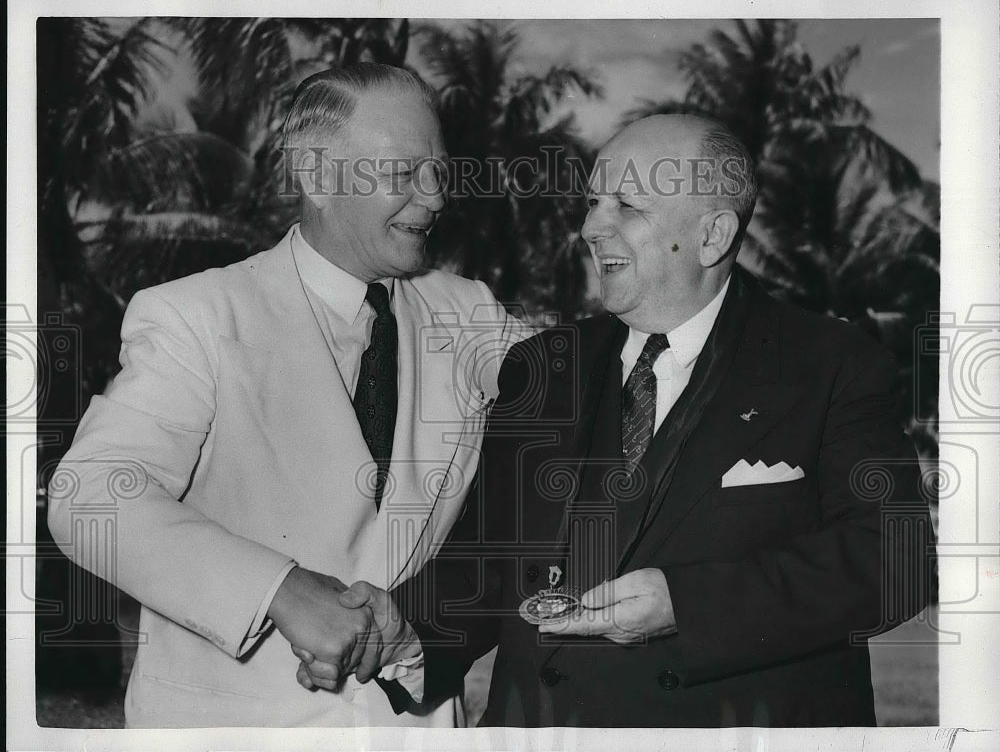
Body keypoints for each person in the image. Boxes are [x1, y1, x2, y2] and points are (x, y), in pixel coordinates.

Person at [309, 113, 937, 727]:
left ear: (712, 236)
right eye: (592, 203)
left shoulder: (832, 364)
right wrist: (409, 629)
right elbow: (489, 561)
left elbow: (897, 562)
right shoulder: (542, 367)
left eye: (625, 207)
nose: (589, 227)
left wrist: (688, 606)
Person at [46, 63, 528, 727]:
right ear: (317, 176)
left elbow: (592, 382)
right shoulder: (197, 315)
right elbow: (90, 494)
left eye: (439, 171)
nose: (436, 196)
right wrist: (277, 588)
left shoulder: (470, 310)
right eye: (404, 173)